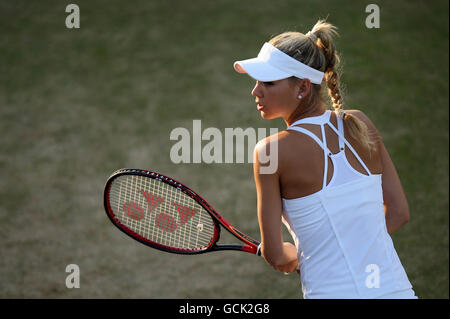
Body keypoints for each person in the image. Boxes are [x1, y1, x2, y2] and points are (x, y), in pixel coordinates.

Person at [233, 19, 417, 299]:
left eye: (268, 82)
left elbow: (276, 255)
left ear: (303, 88)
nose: (255, 91)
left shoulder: (269, 152)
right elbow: (399, 212)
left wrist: (299, 257)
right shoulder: (361, 123)